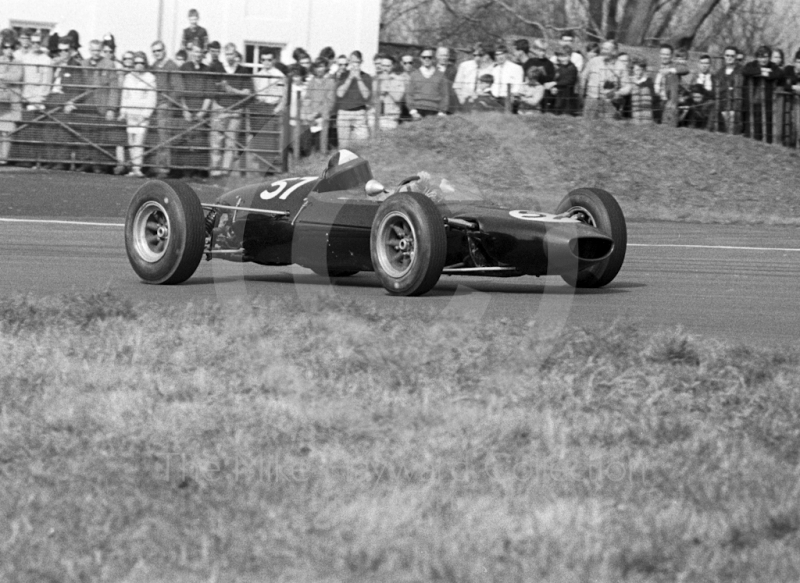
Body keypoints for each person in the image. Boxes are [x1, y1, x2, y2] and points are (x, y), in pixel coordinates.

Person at [209, 43, 252, 177]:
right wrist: (220, 86)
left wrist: (231, 90)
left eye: (232, 54)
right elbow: (210, 85)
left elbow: (247, 91)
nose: (229, 57)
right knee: (217, 138)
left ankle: (225, 170)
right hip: (220, 107)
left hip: (236, 109)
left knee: (231, 141)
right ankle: (215, 168)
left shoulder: (243, 70)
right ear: (224, 54)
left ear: (236, 54)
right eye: (227, 54)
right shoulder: (217, 68)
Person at [43, 38, 86, 169]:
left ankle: (61, 162)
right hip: (51, 101)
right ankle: (51, 161)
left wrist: (71, 102)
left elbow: (78, 88)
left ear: (70, 50)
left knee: (62, 133)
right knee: (48, 132)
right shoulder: (54, 65)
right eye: (59, 50)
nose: (62, 53)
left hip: (64, 102)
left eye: (65, 50)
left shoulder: (75, 66)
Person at [81, 39, 120, 173]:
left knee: (100, 136)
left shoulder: (109, 64)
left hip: (102, 106)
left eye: (98, 50)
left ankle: (98, 164)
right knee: (86, 135)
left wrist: (111, 108)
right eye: (93, 50)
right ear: (89, 50)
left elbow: (114, 88)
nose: (95, 53)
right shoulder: (83, 63)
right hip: (87, 104)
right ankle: (86, 162)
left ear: (101, 50)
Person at [118, 52, 156, 176]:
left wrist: (145, 114)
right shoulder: (128, 77)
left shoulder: (150, 77)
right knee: (131, 141)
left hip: (142, 114)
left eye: (141, 63)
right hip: (130, 113)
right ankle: (132, 167)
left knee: (139, 142)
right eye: (136, 63)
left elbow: (151, 97)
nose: (139, 65)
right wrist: (123, 111)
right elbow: (125, 95)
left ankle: (137, 168)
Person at [149, 39, 184, 177]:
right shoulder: (154, 66)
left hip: (164, 107)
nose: (157, 53)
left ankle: (164, 168)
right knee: (155, 137)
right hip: (153, 106)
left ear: (164, 50)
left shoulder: (172, 66)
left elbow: (179, 88)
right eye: (154, 51)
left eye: (159, 50)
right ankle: (154, 165)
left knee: (164, 137)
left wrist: (168, 104)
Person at [178, 44, 212, 175]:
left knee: (200, 139)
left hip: (201, 110)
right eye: (195, 51)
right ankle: (185, 170)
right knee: (185, 138)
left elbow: (209, 92)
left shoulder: (207, 69)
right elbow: (180, 90)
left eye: (200, 52)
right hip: (187, 108)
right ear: (191, 52)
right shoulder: (184, 68)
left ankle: (199, 171)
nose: (198, 55)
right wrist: (184, 109)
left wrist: (203, 111)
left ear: (203, 53)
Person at [579, 39, 630, 120]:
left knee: (607, 129)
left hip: (609, 103)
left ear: (615, 51)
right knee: (587, 128)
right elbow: (583, 77)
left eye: (606, 49)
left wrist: (617, 93)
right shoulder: (594, 61)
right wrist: (582, 95)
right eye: (602, 48)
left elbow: (627, 87)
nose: (603, 51)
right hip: (591, 101)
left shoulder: (621, 66)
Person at [742, 45, 784, 143]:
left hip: (767, 103)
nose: (763, 60)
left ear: (769, 57)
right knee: (751, 126)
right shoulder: (751, 65)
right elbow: (745, 71)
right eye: (761, 57)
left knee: (766, 128)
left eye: (765, 57)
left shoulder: (773, 66)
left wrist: (766, 74)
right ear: (757, 57)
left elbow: (779, 74)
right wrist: (762, 71)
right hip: (752, 102)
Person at [335, 50, 372, 147]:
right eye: (352, 62)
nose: (354, 65)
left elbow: (366, 95)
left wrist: (358, 78)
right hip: (344, 112)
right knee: (344, 145)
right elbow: (339, 93)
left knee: (362, 143)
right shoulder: (343, 75)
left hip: (359, 113)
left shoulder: (366, 76)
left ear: (361, 62)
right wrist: (350, 78)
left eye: (357, 62)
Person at [406, 47, 449, 119]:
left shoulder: (441, 75)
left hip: (435, 111)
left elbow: (445, 95)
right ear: (420, 58)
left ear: (433, 58)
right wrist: (413, 112)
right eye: (424, 57)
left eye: (429, 57)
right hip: (418, 110)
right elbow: (409, 94)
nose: (427, 59)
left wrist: (442, 112)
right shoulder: (414, 75)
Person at [303, 57, 335, 151]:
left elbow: (330, 101)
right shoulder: (311, 82)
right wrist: (309, 113)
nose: (319, 69)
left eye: (322, 66)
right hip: (311, 118)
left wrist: (318, 112)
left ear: (325, 68)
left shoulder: (330, 82)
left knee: (322, 145)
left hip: (323, 117)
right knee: (309, 146)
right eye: (317, 67)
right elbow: (307, 98)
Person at [0, 39, 24, 164]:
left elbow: (16, 77)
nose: (8, 50)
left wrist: (2, 76)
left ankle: (3, 158)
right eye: (5, 47)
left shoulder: (18, 62)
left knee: (7, 131)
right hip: (0, 100)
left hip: (11, 101)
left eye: (10, 47)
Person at [652, 43, 688, 125]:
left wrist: (669, 70)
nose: (664, 57)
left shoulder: (675, 66)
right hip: (656, 102)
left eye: (667, 54)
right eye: (663, 54)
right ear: (659, 55)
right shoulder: (655, 68)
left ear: (671, 55)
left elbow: (685, 69)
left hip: (669, 104)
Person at [714, 45, 743, 134]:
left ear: (736, 57)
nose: (729, 58)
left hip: (736, 107)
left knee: (733, 133)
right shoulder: (719, 72)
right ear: (724, 56)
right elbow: (717, 89)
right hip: (721, 105)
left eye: (732, 56)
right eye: (727, 55)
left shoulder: (741, 71)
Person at [374, 54, 405, 130]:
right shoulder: (376, 79)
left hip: (390, 118)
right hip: (376, 117)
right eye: (383, 65)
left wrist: (387, 84)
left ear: (393, 66)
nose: (385, 68)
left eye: (388, 66)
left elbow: (398, 98)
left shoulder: (399, 79)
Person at [523, 39, 555, 111]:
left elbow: (551, 78)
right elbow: (524, 75)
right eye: (540, 50)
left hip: (542, 90)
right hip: (529, 88)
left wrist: (542, 75)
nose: (542, 53)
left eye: (543, 51)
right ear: (535, 50)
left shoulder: (549, 64)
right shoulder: (530, 62)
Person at [490, 44, 523, 110]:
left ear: (506, 54)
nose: (500, 57)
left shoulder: (516, 68)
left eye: (502, 54)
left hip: (507, 99)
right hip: (494, 98)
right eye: (497, 55)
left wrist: (512, 98)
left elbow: (518, 85)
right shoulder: (494, 69)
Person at [550, 48, 579, 115]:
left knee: (565, 114)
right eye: (560, 56)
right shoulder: (559, 67)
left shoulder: (572, 68)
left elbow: (570, 80)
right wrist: (554, 86)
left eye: (564, 56)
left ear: (569, 56)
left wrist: (555, 83)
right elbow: (555, 78)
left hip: (567, 95)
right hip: (558, 94)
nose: (562, 59)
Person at [629, 57, 654, 124]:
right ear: (633, 70)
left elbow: (653, 93)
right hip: (636, 112)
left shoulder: (649, 81)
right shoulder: (630, 81)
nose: (639, 72)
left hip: (647, 113)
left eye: (640, 70)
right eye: (636, 70)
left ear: (643, 70)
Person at [436, 46, 458, 113]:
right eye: (441, 55)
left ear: (448, 56)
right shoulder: (432, 69)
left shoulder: (454, 70)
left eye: (445, 55)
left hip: (450, 104)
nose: (444, 58)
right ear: (437, 56)